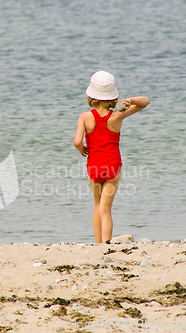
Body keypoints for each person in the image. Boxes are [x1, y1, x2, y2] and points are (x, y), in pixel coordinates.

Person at [73, 71, 149, 243]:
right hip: (113, 166)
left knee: (97, 205)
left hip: (94, 165)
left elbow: (77, 141)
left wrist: (82, 149)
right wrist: (132, 101)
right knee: (106, 209)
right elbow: (145, 102)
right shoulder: (117, 115)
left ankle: (98, 243)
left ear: (91, 95)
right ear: (112, 96)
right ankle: (107, 245)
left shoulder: (85, 117)